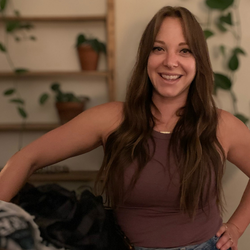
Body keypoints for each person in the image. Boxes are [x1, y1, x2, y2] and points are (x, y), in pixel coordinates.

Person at [0, 5, 249, 250]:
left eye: (185, 51)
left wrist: (237, 226)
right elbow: (27, 157)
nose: (170, 61)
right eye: (159, 48)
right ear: (146, 57)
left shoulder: (221, 125)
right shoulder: (111, 118)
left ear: (199, 61)